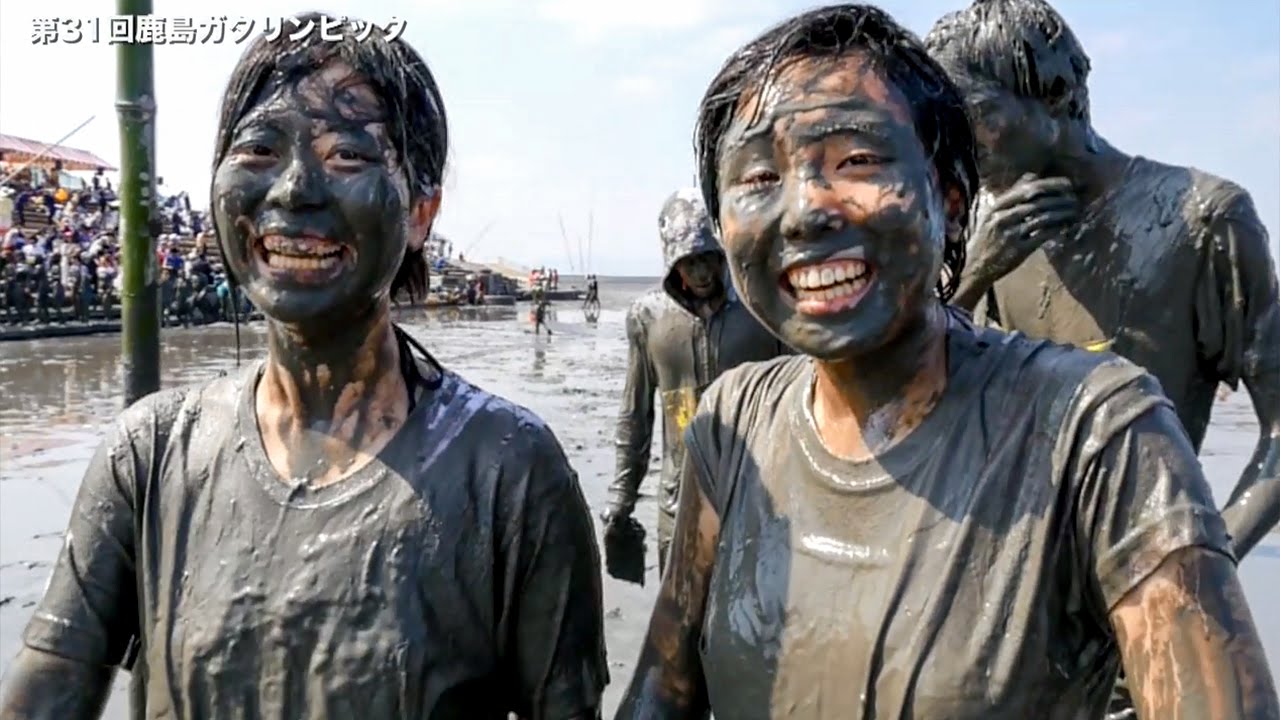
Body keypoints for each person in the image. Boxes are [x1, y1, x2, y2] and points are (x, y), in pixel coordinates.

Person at [615, 5, 1279, 720]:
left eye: (858, 161)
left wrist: (1193, 551)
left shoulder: (1109, 425)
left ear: (949, 199)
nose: (806, 210)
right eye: (757, 177)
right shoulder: (732, 425)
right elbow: (662, 690)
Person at [0, 14, 607, 719]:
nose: (293, 190)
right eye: (259, 149)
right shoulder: (150, 455)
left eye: (347, 157)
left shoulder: (510, 468)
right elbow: (46, 690)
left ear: (421, 210)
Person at [923, 2, 1280, 716]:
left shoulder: (1199, 221)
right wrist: (969, 276)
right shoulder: (987, 238)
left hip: (1146, 625)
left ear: (1051, 97)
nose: (956, 144)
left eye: (974, 115)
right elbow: (921, 407)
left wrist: (1188, 572)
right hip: (1008, 621)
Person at [602, 189, 789, 578]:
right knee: (677, 627)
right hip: (678, 504)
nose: (702, 273)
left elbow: (806, 399)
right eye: (689, 262)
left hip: (759, 498)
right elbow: (636, 415)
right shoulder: (648, 318)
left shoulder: (763, 307)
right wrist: (622, 495)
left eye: (709, 258)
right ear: (672, 263)